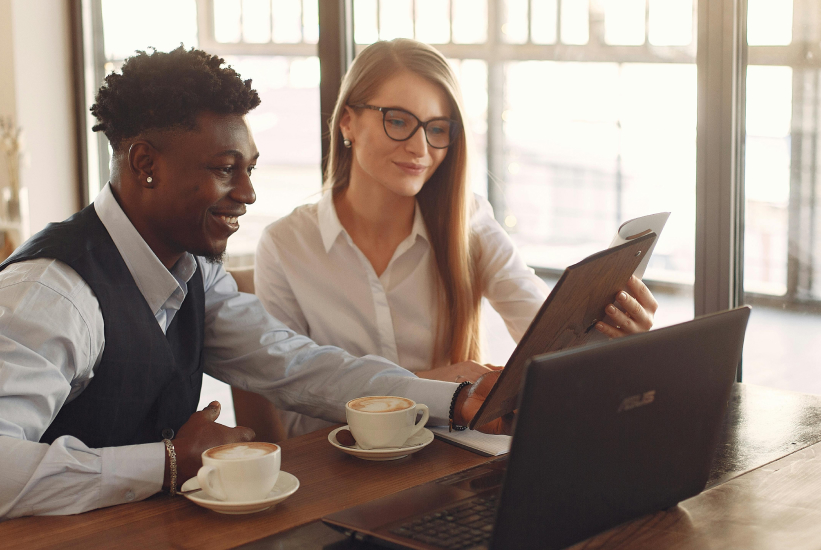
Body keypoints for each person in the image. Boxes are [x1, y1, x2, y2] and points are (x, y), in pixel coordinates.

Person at [0, 46, 506, 541]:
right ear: (145, 163)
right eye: (226, 169)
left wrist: (453, 402)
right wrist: (167, 463)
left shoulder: (193, 271)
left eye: (250, 168)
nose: (247, 193)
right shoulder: (50, 296)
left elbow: (299, 367)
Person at [254, 39, 658, 438]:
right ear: (347, 122)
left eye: (437, 128)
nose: (420, 147)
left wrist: (615, 339)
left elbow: (545, 334)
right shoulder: (285, 246)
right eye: (397, 120)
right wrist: (434, 388)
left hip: (451, 461)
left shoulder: (469, 222)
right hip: (341, 471)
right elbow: (296, 413)